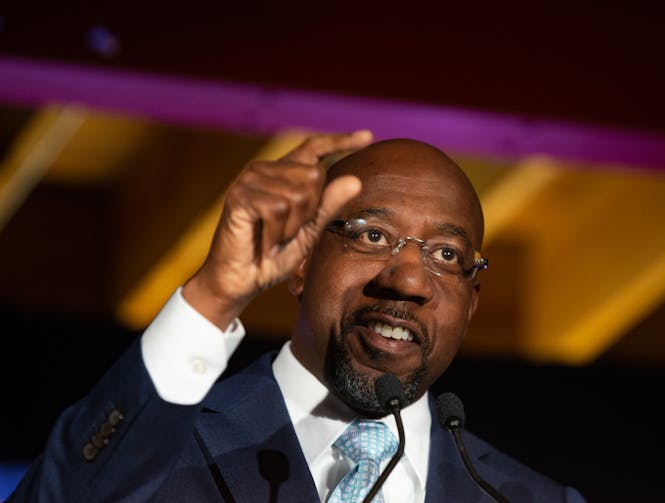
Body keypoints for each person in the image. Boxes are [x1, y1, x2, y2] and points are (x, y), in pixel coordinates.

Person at [9, 130, 586, 502]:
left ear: (471, 304)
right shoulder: (156, 453)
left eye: (445, 255)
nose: (408, 280)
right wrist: (212, 296)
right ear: (302, 261)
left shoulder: (529, 499)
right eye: (373, 234)